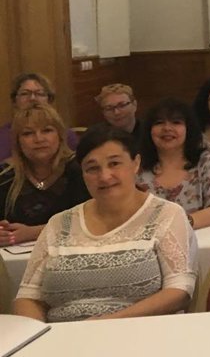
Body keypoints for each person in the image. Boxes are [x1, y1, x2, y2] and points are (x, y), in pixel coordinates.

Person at [13, 124, 198, 323]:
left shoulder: (166, 214)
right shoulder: (59, 224)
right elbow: (28, 297)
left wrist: (108, 322)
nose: (104, 176)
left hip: (139, 331)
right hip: (62, 335)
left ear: (136, 163)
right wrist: (42, 334)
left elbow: (179, 291)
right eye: (92, 168)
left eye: (114, 164)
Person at [0, 104, 88, 246]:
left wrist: (33, 232)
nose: (39, 139)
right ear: (17, 141)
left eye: (47, 130)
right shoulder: (5, 175)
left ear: (60, 136)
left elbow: (93, 221)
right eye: (28, 133)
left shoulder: (80, 170)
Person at [140, 98, 210, 229]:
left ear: (189, 129)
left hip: (202, 237)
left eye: (176, 122)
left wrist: (179, 225)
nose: (167, 128)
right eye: (159, 123)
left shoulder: (207, 163)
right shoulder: (136, 169)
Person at [1, 72, 78, 162]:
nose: (32, 98)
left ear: (49, 100)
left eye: (40, 93)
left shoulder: (67, 135)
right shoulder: (2, 136)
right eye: (25, 93)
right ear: (14, 100)